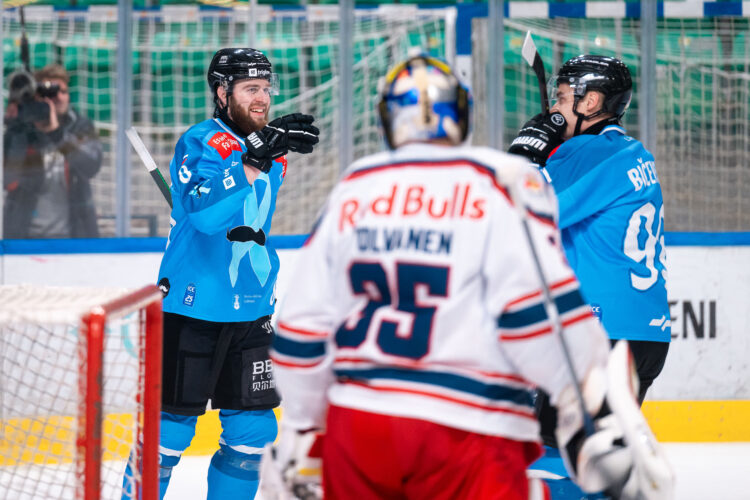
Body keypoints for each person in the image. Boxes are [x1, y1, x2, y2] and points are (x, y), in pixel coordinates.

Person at [262, 55, 671, 500]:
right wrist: (593, 402)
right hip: (471, 422)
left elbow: (300, 329)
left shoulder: (354, 188)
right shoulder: (496, 185)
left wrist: (305, 427)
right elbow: (540, 316)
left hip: (363, 421)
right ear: (460, 117)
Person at [121, 48, 319, 500]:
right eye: (251, 89)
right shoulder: (200, 141)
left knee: (253, 437)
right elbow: (206, 216)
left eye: (266, 89)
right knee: (166, 438)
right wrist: (251, 158)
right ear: (221, 92)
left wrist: (260, 151)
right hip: (192, 309)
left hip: (252, 311)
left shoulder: (274, 152)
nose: (262, 99)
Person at [508, 56, 670, 459]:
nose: (554, 109)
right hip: (644, 335)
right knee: (597, 460)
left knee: (557, 459)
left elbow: (514, 209)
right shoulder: (632, 153)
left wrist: (524, 154)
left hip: (598, 337)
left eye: (562, 98)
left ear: (592, 102)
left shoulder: (587, 153)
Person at [3, 64, 102, 238]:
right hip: (24, 238)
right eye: (47, 93)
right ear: (35, 97)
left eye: (62, 91)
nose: (57, 98)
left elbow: (91, 166)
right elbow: (8, 180)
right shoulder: (21, 130)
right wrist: (19, 123)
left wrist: (56, 132)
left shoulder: (80, 127)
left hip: (73, 237)